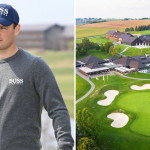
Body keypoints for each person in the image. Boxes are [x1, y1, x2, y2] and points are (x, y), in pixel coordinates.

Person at [0, 3, 74, 150]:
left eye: (3, 28)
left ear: (16, 29)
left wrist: (65, 146)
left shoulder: (34, 65)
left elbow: (58, 110)